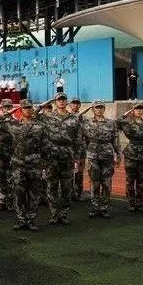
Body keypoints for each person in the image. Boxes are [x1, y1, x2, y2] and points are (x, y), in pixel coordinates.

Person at [0, 100, 51, 231]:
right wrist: (9, 112)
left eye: (29, 108)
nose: (27, 110)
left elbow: (46, 146)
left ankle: (31, 220)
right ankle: (21, 219)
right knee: (19, 193)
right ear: (21, 110)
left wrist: (45, 164)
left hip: (34, 164)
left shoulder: (40, 126)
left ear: (33, 110)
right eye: (25, 108)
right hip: (18, 164)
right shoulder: (13, 125)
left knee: (34, 194)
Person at [37, 93, 82, 225]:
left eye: (63, 100)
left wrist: (77, 158)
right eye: (58, 100)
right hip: (52, 156)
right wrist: (46, 101)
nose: (61, 102)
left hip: (67, 156)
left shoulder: (74, 119)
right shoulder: (47, 117)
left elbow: (78, 140)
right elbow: (33, 113)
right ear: (55, 102)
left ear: (67, 102)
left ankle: (64, 214)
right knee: (52, 186)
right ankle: (54, 213)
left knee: (67, 187)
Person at [81, 101, 121, 218]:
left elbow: (116, 140)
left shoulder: (111, 123)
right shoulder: (87, 123)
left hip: (107, 155)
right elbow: (83, 138)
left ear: (104, 109)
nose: (99, 110)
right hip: (93, 155)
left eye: (101, 108)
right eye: (96, 108)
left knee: (107, 182)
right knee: (94, 182)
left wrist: (118, 155)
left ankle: (104, 208)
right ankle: (94, 207)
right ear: (93, 109)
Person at [116, 102, 143, 212]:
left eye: (140, 109)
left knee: (142, 180)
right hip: (131, 154)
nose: (138, 111)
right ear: (133, 111)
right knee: (130, 180)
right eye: (136, 109)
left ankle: (140, 203)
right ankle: (131, 203)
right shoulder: (128, 124)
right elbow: (117, 122)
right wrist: (125, 114)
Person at [0, 98, 15, 211]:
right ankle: (2, 201)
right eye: (5, 107)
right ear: (1, 108)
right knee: (0, 179)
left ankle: (10, 201)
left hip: (11, 154)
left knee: (11, 179)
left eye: (9, 107)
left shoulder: (15, 122)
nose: (7, 109)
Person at [69, 98, 88, 201]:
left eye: (77, 103)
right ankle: (70, 193)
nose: (75, 105)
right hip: (70, 148)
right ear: (70, 105)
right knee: (69, 172)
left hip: (82, 148)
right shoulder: (67, 117)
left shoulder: (84, 119)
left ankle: (78, 193)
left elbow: (88, 133)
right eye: (73, 103)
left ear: (80, 105)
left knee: (79, 172)